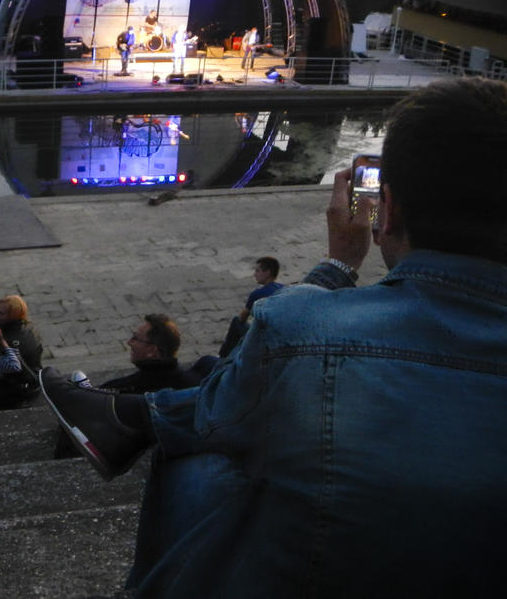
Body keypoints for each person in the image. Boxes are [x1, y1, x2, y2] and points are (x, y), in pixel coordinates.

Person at [40, 77, 507, 597]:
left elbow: (253, 373)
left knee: (212, 448)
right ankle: (132, 420)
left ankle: (135, 432)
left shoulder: (301, 331)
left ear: (387, 208)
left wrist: (338, 264)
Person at [53, 314, 217, 459]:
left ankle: (81, 394)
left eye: (135, 338)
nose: (129, 342)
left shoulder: (131, 387)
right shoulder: (193, 378)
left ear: (152, 350)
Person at [0, 295, 44, 409]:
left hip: (13, 388)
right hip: (34, 380)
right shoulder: (30, 328)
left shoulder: (4, 338)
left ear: (11, 316)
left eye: (1, 313)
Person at [218, 256, 284, 357]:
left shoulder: (258, 294)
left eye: (258, 271)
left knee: (236, 321)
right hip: (281, 335)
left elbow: (242, 318)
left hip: (264, 339)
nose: (254, 274)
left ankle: (224, 355)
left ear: (267, 273)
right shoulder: (283, 289)